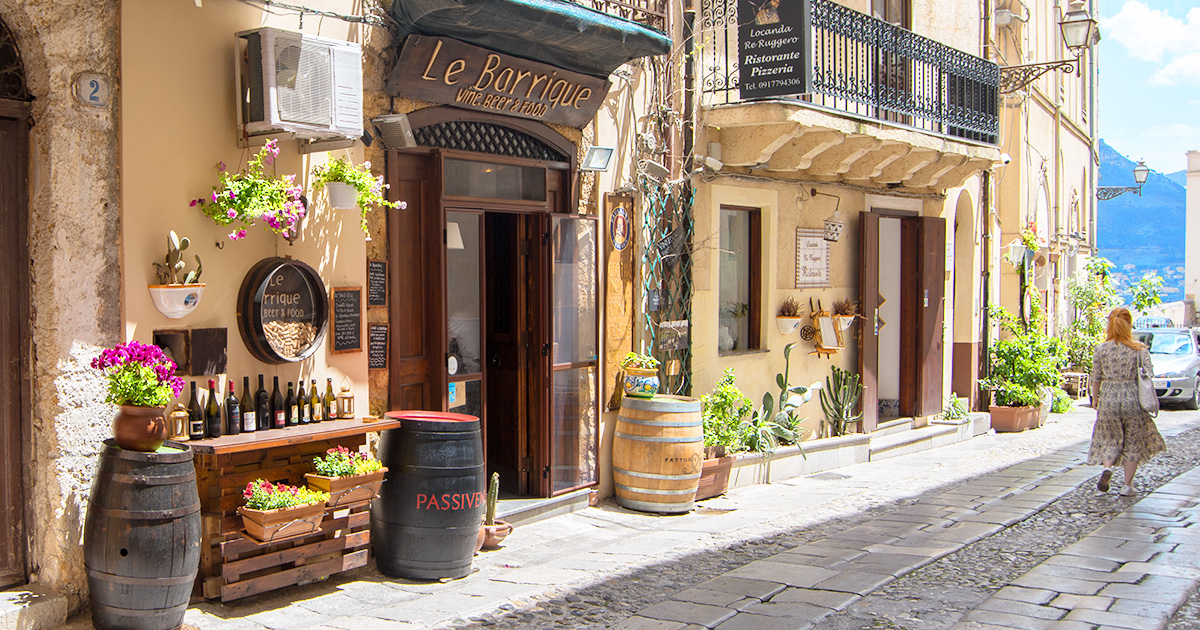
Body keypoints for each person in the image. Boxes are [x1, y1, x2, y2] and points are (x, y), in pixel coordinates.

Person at [1088, 307, 1165, 496]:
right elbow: (1149, 373)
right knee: (1133, 441)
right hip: (1132, 397)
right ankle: (1127, 485)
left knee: (1108, 437)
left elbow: (1096, 377)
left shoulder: (1101, 349)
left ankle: (1107, 468)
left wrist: (1095, 398)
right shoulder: (1139, 349)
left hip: (1109, 397)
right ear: (1129, 324)